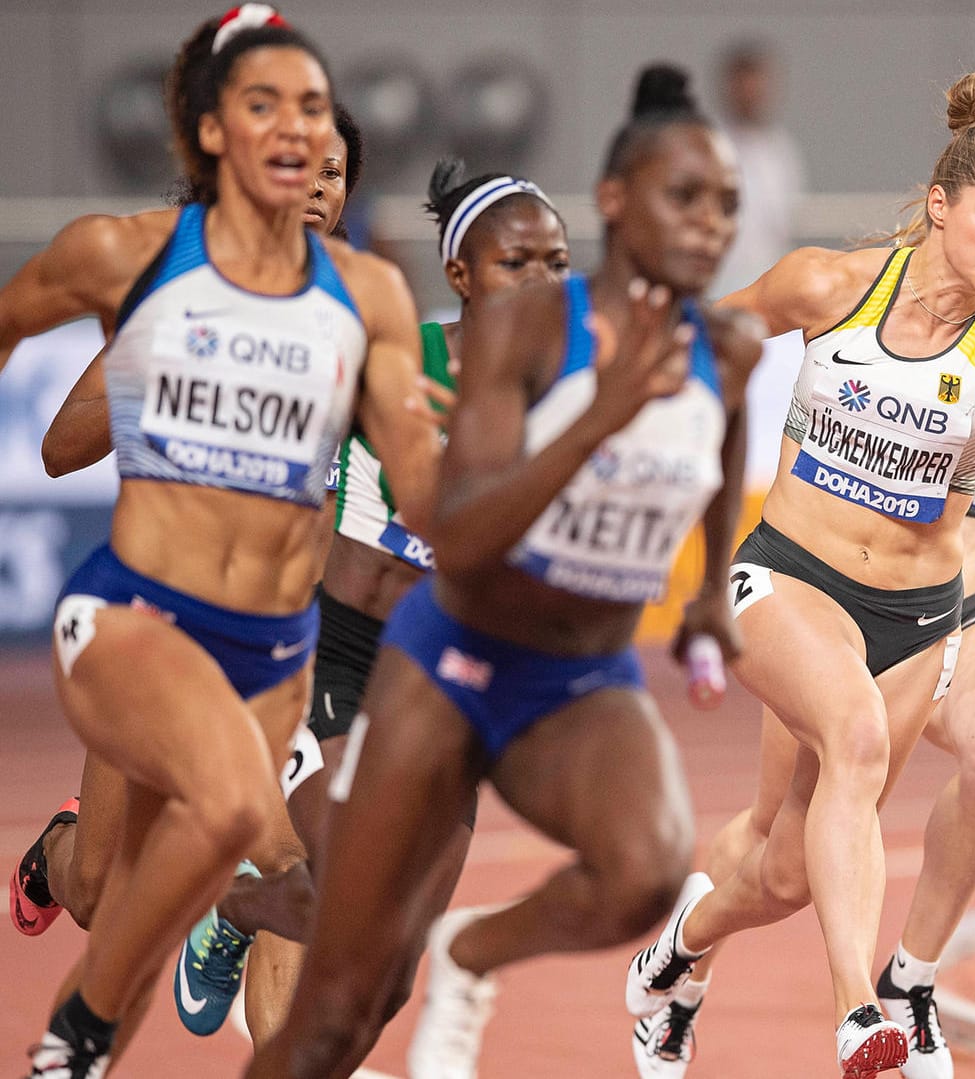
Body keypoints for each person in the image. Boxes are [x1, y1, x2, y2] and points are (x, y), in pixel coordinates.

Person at [243, 62, 759, 1079]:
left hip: (567, 673)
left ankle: (464, 947)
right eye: (684, 197)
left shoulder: (724, 346)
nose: (708, 224)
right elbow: (467, 537)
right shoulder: (480, 347)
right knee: (345, 993)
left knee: (646, 870)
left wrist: (706, 595)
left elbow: (722, 441)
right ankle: (225, 895)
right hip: (404, 655)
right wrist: (600, 415)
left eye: (727, 205)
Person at [632, 120, 975, 1079]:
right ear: (940, 205)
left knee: (785, 868)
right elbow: (701, 341)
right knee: (857, 741)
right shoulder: (827, 285)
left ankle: (675, 955)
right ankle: (863, 1014)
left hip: (929, 614)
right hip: (791, 574)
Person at [0, 7, 439, 1077]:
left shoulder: (368, 299)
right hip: (139, 613)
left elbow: (425, 484)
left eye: (326, 135)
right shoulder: (136, 261)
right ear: (212, 134)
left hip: (275, 650)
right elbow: (59, 446)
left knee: (187, 875)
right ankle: (80, 1017)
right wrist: (170, 374)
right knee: (247, 834)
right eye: (270, 110)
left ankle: (76, 910)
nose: (309, 156)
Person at [232, 157, 573, 1045]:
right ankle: (214, 898)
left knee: (382, 984)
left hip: (450, 688)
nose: (543, 283)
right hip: (340, 655)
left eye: (558, 263)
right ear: (461, 275)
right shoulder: (395, 360)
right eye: (517, 263)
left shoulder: (570, 402)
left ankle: (230, 904)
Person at [710, 39, 805, 298]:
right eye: (743, 84)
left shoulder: (780, 149)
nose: (751, 93)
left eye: (757, 83)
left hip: (769, 283)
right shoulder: (709, 146)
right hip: (718, 283)